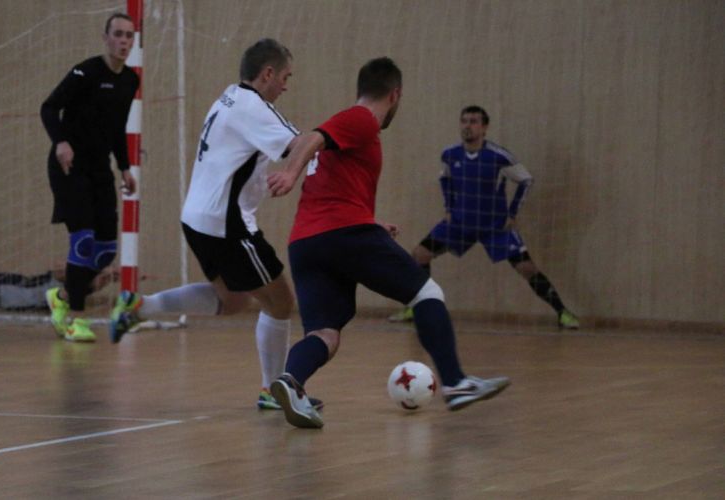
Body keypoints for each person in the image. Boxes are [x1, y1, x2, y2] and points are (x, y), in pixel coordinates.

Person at [266, 57, 510, 429]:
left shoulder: (353, 130)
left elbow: (335, 188)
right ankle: (456, 383)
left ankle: (290, 381)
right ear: (394, 94)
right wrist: (288, 174)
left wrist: (371, 222)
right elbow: (312, 138)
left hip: (306, 242)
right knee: (427, 294)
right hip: (343, 233)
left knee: (325, 332)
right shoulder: (362, 118)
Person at [109, 39, 322, 411]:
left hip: (197, 219)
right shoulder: (254, 107)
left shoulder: (229, 96)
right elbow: (304, 143)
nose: (286, 86)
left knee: (233, 300)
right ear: (267, 74)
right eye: (285, 77)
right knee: (281, 303)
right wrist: (323, 151)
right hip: (228, 225)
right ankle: (273, 390)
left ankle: (140, 306)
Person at [387, 105, 580, 329]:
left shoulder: (499, 157)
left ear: (484, 127)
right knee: (419, 255)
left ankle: (563, 312)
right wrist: (449, 208)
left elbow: (526, 180)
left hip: (494, 226)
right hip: (460, 223)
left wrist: (512, 213)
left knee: (527, 269)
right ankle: (416, 308)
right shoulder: (450, 154)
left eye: (473, 121)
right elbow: (445, 179)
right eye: (464, 121)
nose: (467, 126)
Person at [40, 13, 140, 342]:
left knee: (105, 250)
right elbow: (49, 108)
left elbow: (117, 128)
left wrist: (125, 167)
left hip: (100, 169)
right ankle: (76, 320)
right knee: (82, 241)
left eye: (129, 35)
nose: (124, 41)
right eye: (118, 34)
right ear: (105, 37)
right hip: (69, 167)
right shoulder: (86, 72)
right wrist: (61, 142)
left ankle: (61, 297)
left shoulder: (130, 81)